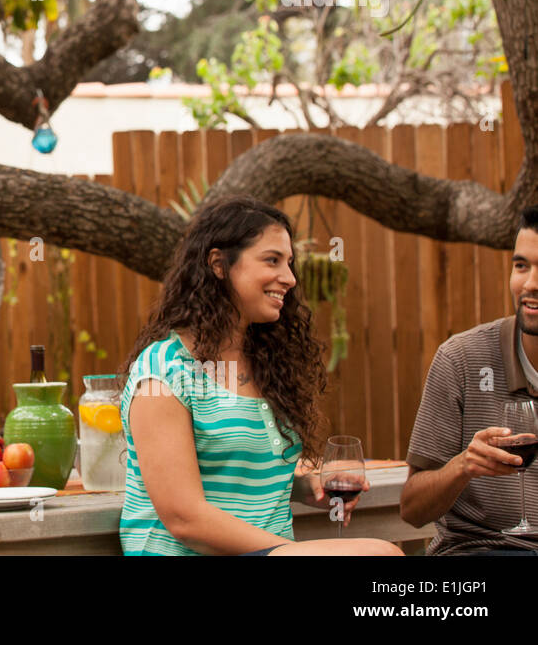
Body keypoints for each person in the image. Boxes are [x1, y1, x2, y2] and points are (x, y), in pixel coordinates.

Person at [120, 195, 402, 555]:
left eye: (289, 263)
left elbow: (238, 474)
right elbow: (184, 518)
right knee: (381, 554)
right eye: (272, 260)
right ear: (219, 264)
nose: (289, 278)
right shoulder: (163, 370)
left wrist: (307, 486)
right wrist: (288, 552)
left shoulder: (266, 362)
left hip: (268, 553)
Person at [399, 205, 538, 555]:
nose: (530, 284)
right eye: (521, 266)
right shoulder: (462, 359)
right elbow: (412, 509)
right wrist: (464, 466)